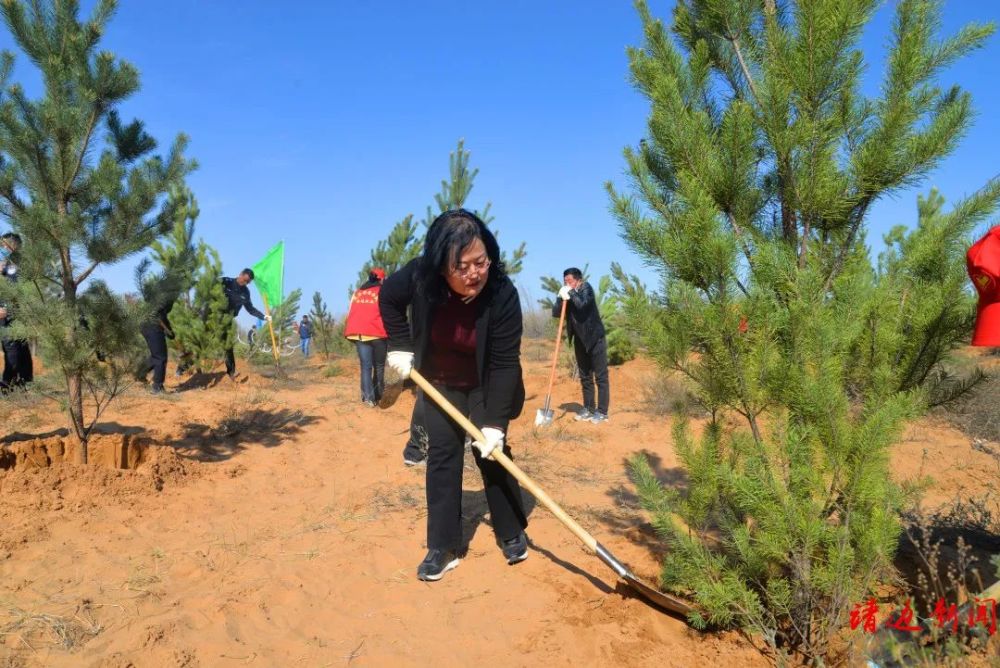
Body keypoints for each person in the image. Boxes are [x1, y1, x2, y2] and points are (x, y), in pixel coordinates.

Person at [380, 209, 529, 581]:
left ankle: (511, 529)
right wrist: (399, 345)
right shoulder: (419, 276)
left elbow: (505, 362)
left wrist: (494, 424)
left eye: (480, 262)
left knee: (491, 453)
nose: (473, 274)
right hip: (441, 378)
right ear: (441, 267)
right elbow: (388, 299)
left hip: (486, 379)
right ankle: (443, 545)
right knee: (443, 455)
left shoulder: (502, 292)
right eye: (461, 267)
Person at [555, 267, 610, 423]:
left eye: (569, 281)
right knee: (585, 376)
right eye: (565, 281)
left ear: (578, 280)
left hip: (594, 338)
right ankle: (588, 408)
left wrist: (571, 293)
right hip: (580, 340)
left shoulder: (586, 289)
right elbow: (556, 312)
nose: (567, 283)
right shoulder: (567, 294)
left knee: (600, 377)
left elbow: (582, 305)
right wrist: (560, 298)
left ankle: (602, 412)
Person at [344, 268, 388, 407]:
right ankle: (379, 394)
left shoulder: (357, 293)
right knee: (379, 366)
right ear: (381, 279)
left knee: (365, 366)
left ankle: (368, 398)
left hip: (359, 333)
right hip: (377, 332)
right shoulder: (382, 292)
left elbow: (351, 311)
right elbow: (388, 312)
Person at [221, 268, 269, 378]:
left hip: (227, 319)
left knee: (228, 345)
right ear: (240, 274)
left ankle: (231, 372)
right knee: (199, 340)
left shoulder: (245, 292)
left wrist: (263, 316)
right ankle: (182, 368)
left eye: (248, 282)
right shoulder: (226, 282)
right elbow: (209, 285)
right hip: (213, 315)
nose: (246, 283)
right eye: (245, 280)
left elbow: (250, 309)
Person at [1, 232, 33, 391]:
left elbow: (21, 291)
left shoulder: (16, 265)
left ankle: (7, 386)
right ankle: (24, 383)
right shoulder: (9, 265)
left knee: (12, 348)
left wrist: (8, 309)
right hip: (12, 315)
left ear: (12, 245)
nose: (2, 248)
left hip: (11, 314)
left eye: (4, 245)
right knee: (20, 348)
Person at [135, 293, 175, 394]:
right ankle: (157, 387)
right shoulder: (168, 293)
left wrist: (169, 330)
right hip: (153, 325)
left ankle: (140, 373)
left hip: (145, 324)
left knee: (156, 355)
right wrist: (169, 330)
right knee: (161, 357)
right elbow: (159, 314)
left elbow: (162, 314)